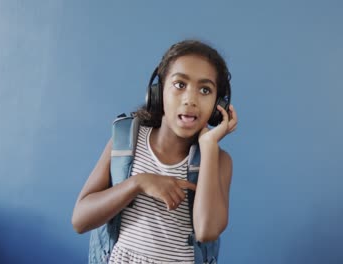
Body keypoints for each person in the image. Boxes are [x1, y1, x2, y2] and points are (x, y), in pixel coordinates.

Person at [72, 39, 238, 263]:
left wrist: (208, 147)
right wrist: (138, 183)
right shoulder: (125, 141)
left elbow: (207, 231)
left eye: (205, 90)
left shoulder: (218, 161)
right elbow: (80, 220)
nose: (190, 99)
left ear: (219, 105)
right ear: (158, 90)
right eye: (180, 85)